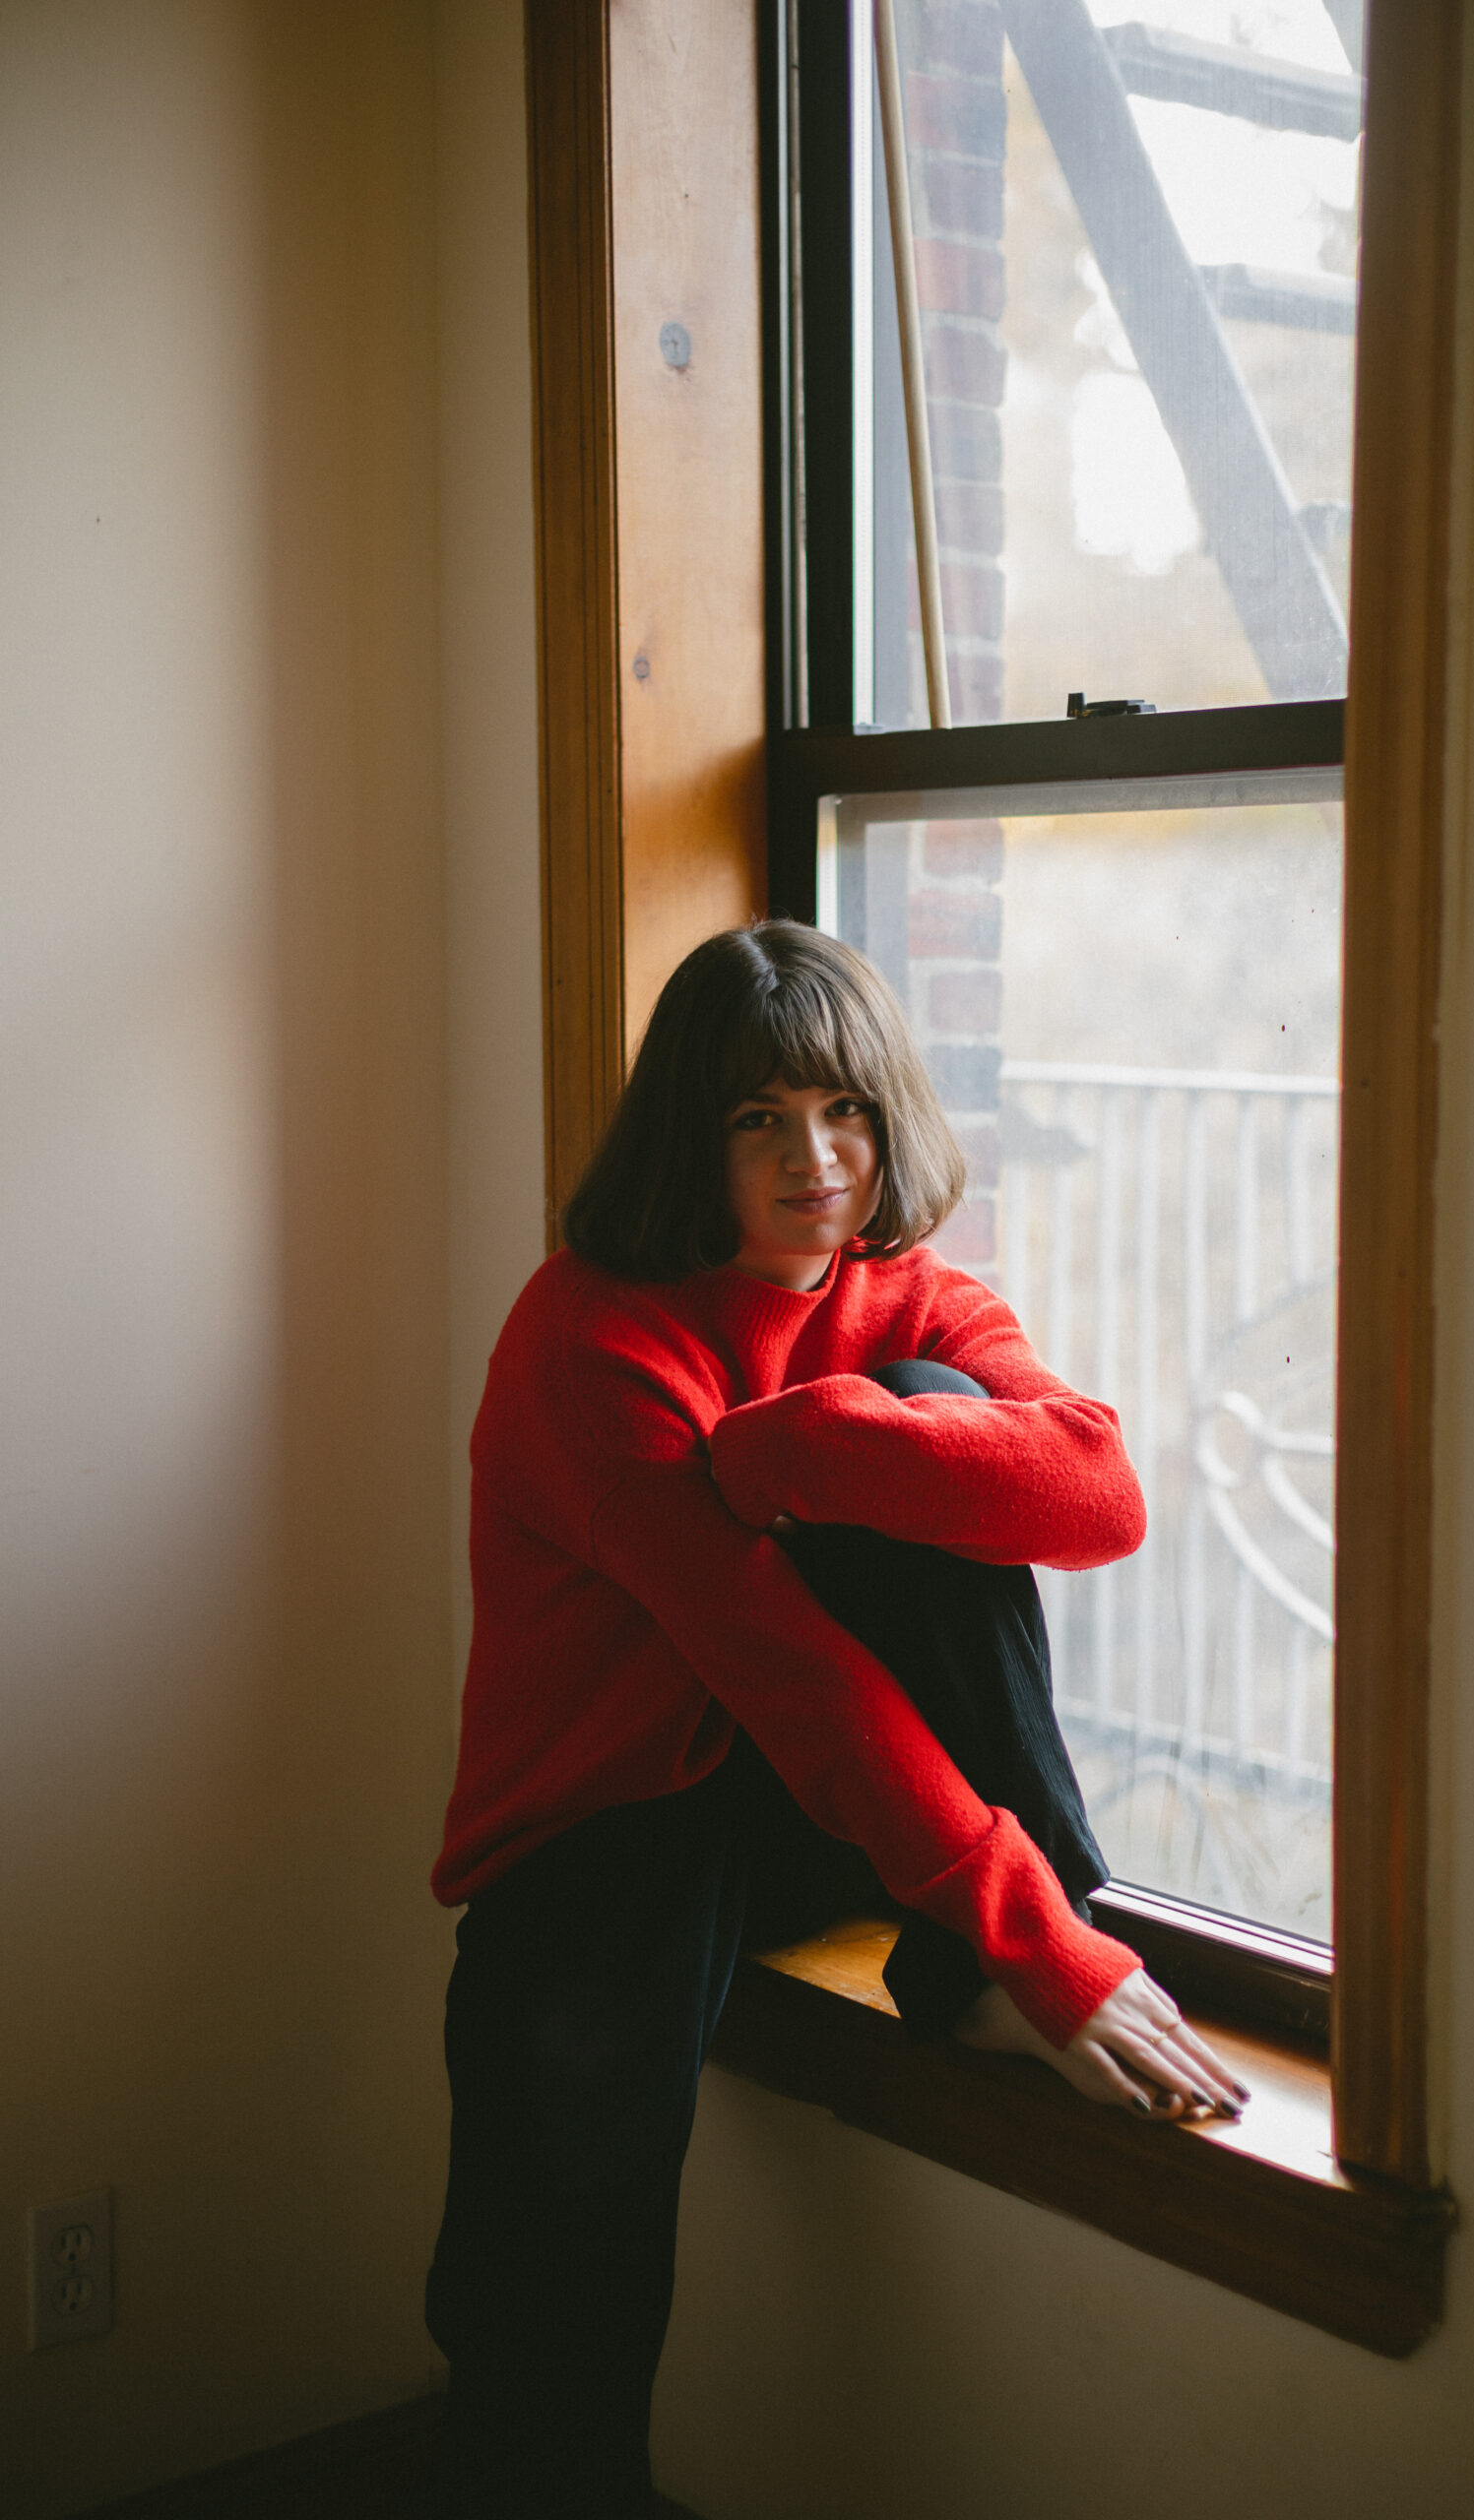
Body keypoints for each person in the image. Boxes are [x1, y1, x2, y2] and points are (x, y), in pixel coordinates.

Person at [424, 922, 1246, 2517]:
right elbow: (798, 1682)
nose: (814, 1160)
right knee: (555, 2323)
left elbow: (1100, 1496)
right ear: (692, 1137)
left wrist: (809, 1444)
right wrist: (1050, 1953)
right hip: (603, 1840)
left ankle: (977, 1975)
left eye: (844, 1111)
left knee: (948, 1420)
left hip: (791, 1814)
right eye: (759, 1120)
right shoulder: (592, 1340)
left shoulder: (913, 1294)